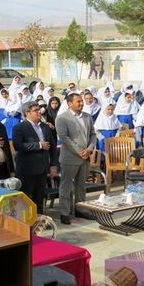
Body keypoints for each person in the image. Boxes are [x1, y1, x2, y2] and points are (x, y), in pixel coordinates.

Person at [55, 93, 98, 225]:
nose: (81, 103)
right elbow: (64, 137)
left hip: (85, 157)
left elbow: (93, 134)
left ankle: (80, 209)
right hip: (70, 157)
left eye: (82, 101)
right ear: (69, 103)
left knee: (81, 185)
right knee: (66, 185)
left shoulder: (87, 117)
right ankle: (64, 212)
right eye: (78, 101)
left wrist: (90, 149)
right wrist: (80, 152)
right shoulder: (62, 118)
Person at [12, 101, 58, 214]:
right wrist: (38, 145)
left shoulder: (45, 127)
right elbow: (18, 145)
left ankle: (39, 222)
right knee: (25, 198)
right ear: (27, 113)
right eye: (36, 110)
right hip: (27, 170)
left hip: (42, 169)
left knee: (39, 198)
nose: (39, 111)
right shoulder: (19, 127)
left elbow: (52, 146)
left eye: (39, 109)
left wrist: (53, 164)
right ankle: (25, 224)